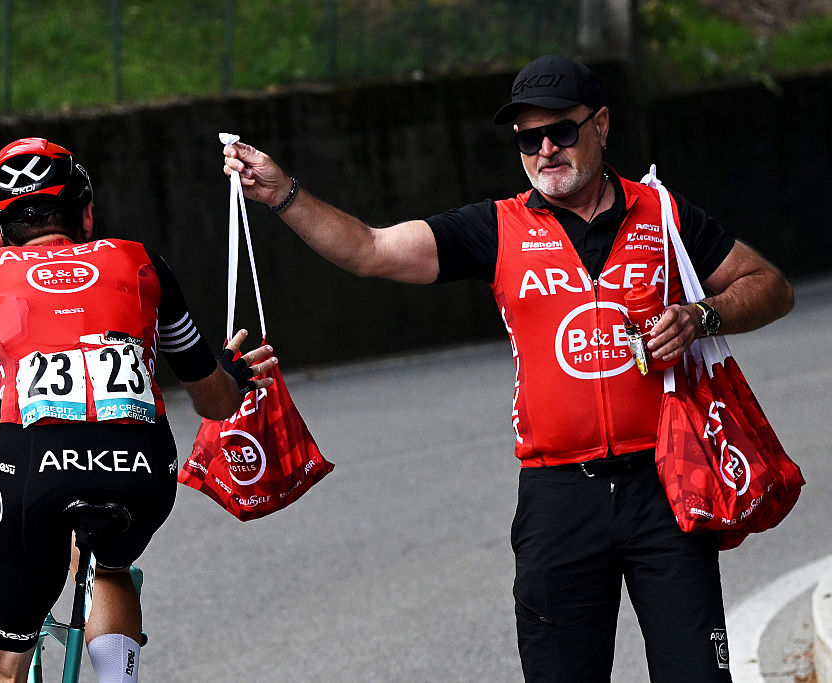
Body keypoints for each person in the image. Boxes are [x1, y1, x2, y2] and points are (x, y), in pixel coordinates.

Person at [222, 55, 794, 682]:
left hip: (666, 486)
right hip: (558, 498)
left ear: (601, 124)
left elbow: (769, 284)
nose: (545, 149)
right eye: (528, 137)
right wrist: (284, 194)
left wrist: (701, 317)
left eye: (562, 131)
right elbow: (370, 249)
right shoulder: (497, 227)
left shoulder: (662, 215)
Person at [0, 137, 277, 682]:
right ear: (86, 214)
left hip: (36, 471)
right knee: (110, 563)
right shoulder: (141, 261)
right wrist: (233, 373)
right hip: (143, 471)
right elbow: (215, 401)